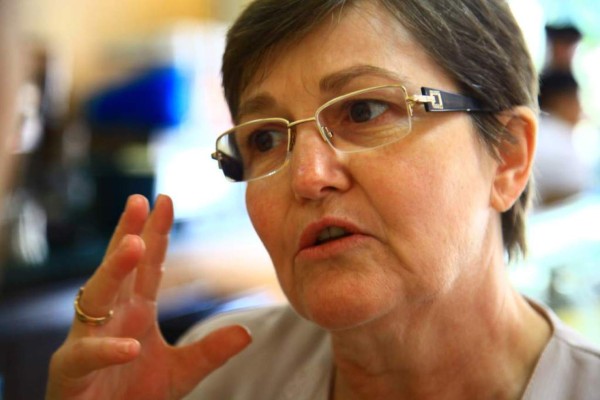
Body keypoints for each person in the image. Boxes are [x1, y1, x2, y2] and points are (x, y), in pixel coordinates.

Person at [46, 0, 600, 399]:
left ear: (506, 157)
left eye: (363, 111)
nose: (307, 177)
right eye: (266, 139)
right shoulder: (217, 375)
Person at [534, 70, 593, 205]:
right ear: (563, 101)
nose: (581, 108)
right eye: (578, 99)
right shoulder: (556, 141)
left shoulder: (541, 131)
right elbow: (578, 189)